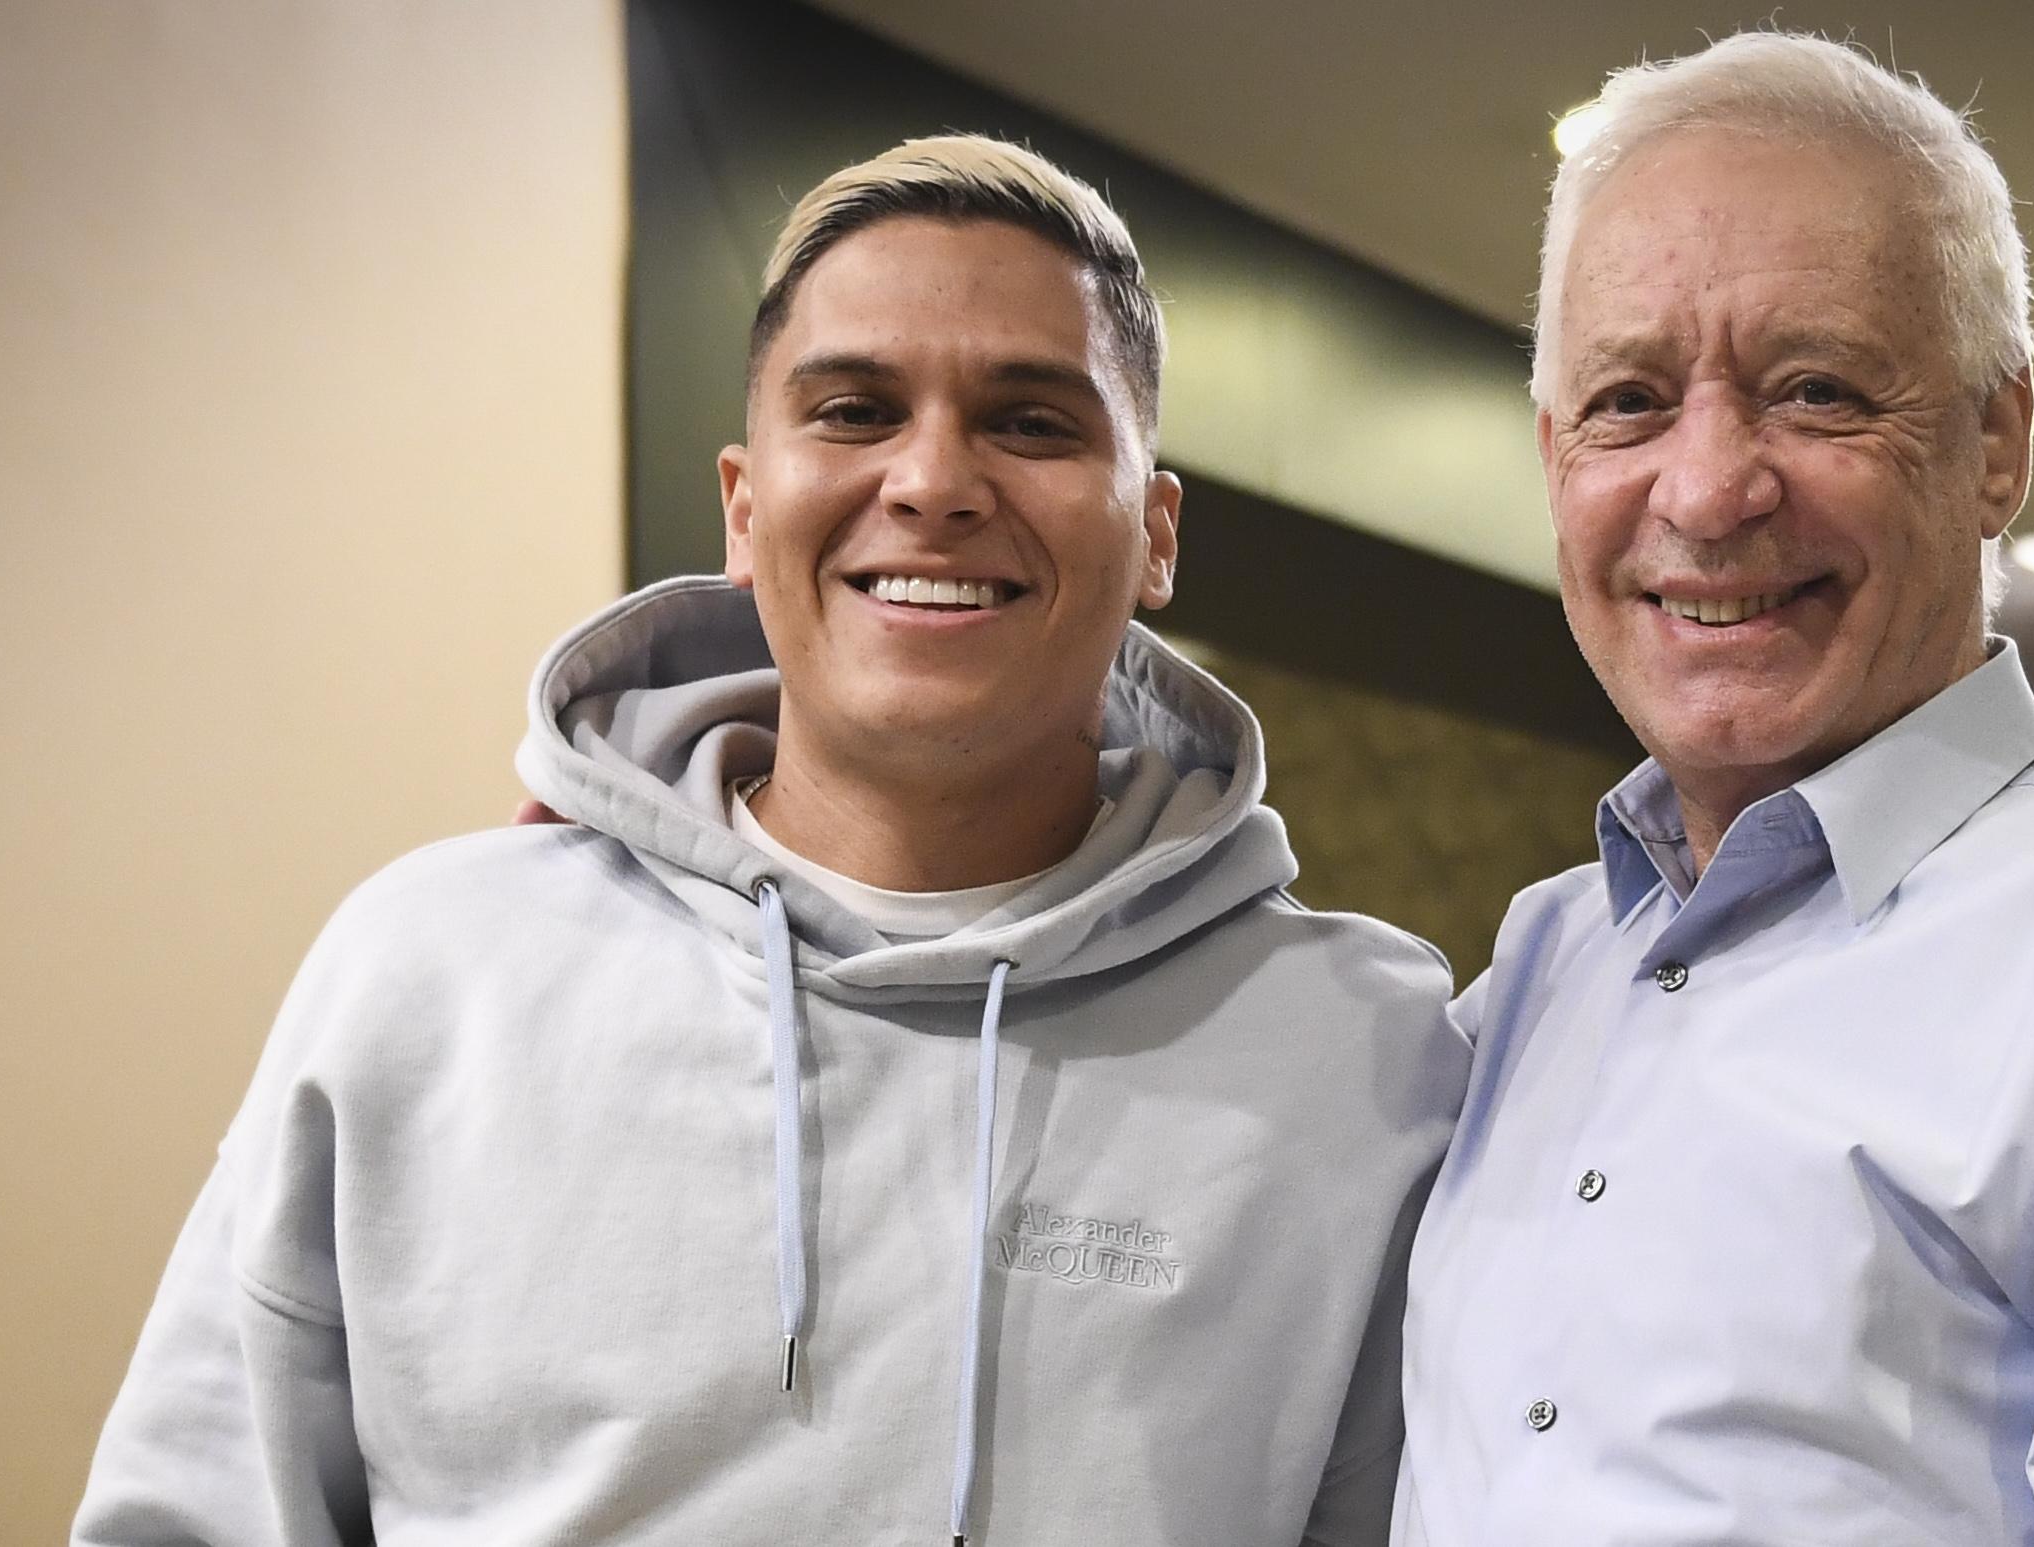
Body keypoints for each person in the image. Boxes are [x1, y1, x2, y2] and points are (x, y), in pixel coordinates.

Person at [73, 136, 1467, 1547]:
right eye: (856, 409)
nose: (933, 480)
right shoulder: (431, 977)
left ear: (1154, 532)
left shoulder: (1359, 1057)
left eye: (1033, 422)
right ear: (744, 507)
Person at [1393, 33, 2034, 1545]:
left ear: (1998, 440)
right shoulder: (1540, 973)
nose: (1706, 490)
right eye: (1628, 402)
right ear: (1555, 459)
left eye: (1814, 392)